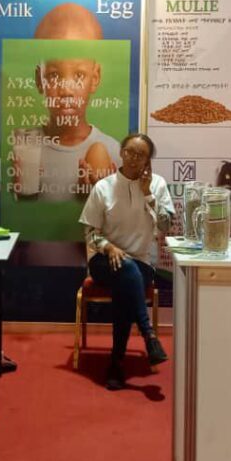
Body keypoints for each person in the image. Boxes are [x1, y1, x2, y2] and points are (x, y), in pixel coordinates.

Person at [79, 133, 174, 390]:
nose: (134, 158)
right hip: (104, 260)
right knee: (126, 270)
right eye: (130, 152)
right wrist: (109, 247)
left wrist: (148, 194)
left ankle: (116, 362)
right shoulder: (103, 187)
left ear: (148, 160)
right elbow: (90, 233)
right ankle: (148, 334)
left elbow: (166, 226)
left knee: (127, 279)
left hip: (141, 263)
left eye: (141, 155)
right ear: (121, 152)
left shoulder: (158, 185)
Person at [21, 2, 119, 201]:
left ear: (95, 78)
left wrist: (99, 203)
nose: (66, 90)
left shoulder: (114, 152)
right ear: (39, 79)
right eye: (54, 74)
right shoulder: (23, 150)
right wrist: (23, 195)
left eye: (79, 75)